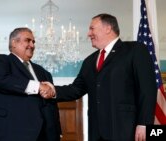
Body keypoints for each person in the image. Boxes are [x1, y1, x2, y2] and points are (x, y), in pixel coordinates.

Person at [42, 13, 157, 141]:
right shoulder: (89, 61)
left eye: (92, 28)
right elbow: (76, 89)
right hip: (96, 133)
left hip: (126, 130)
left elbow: (147, 90)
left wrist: (144, 123)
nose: (88, 34)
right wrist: (52, 90)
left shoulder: (135, 50)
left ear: (108, 28)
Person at [0, 27, 61, 141]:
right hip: (6, 133)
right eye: (28, 40)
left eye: (33, 42)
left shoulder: (44, 73)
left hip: (42, 136)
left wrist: (57, 132)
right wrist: (37, 86)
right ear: (14, 43)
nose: (32, 45)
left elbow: (51, 106)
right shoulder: (0, 60)